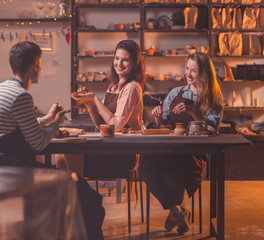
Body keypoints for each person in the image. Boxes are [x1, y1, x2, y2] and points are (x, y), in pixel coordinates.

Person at [0, 41, 105, 239]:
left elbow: (16, 129)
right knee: (85, 194)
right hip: (19, 175)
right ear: (35, 65)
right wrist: (57, 123)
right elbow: (39, 143)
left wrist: (47, 119)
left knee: (82, 194)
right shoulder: (21, 96)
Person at [141, 52, 223, 235]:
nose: (189, 74)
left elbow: (212, 130)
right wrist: (157, 118)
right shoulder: (175, 93)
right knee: (145, 167)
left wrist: (194, 112)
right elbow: (164, 125)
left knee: (171, 178)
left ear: (205, 74)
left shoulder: (213, 97)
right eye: (187, 69)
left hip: (192, 156)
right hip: (168, 151)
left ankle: (176, 212)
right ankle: (178, 211)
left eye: (194, 70)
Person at [56, 39, 145, 178]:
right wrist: (89, 103)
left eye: (125, 60)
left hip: (123, 153)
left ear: (134, 63)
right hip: (109, 146)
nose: (119, 64)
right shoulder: (114, 86)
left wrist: (95, 99)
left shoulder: (132, 87)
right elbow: (101, 124)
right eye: (116, 58)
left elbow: (115, 126)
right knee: (60, 154)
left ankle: (79, 194)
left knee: (70, 150)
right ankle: (69, 194)